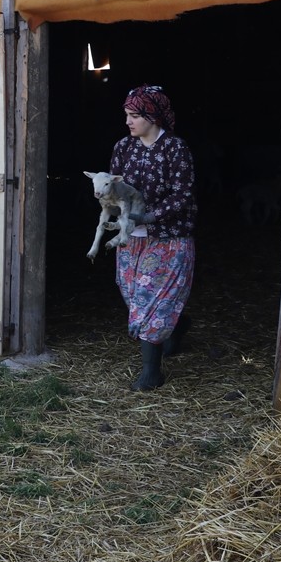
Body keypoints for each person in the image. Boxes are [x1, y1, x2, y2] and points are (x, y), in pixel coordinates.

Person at [109, 84, 197, 391]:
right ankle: (176, 325)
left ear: (153, 116)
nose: (128, 121)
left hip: (168, 240)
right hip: (131, 239)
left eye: (134, 115)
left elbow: (183, 195)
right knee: (132, 294)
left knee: (150, 302)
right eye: (126, 115)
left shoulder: (176, 149)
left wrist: (150, 217)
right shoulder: (123, 148)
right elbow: (115, 188)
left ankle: (151, 372)